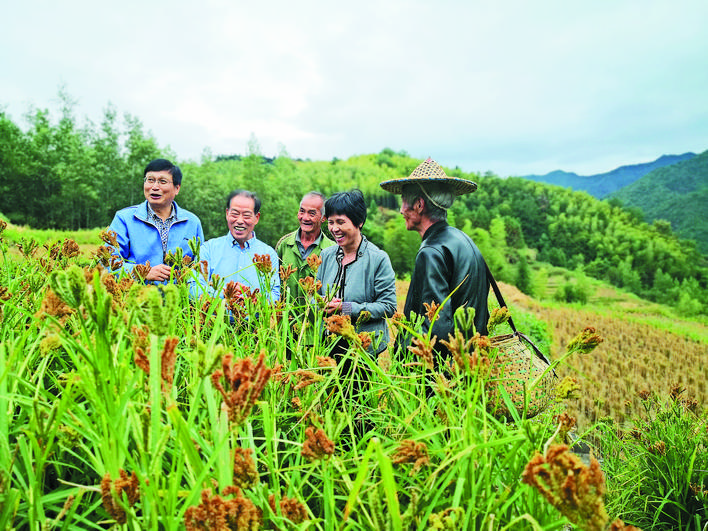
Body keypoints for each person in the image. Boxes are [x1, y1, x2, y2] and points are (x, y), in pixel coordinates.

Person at [380, 158, 489, 358]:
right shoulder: (463, 240)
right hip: (471, 363)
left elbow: (435, 325)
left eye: (404, 201)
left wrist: (403, 356)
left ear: (419, 205)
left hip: (444, 373)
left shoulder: (432, 251)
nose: (401, 210)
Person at [316, 189, 397, 355]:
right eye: (331, 222)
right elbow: (314, 294)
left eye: (341, 222)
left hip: (362, 349)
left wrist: (345, 308)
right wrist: (319, 302)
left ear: (359, 222)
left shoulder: (378, 259)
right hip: (328, 347)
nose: (334, 228)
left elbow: (388, 307)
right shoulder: (326, 255)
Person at [108, 158, 204, 284]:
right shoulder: (124, 218)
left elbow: (200, 266)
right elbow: (106, 262)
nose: (154, 187)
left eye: (162, 181)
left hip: (179, 298)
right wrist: (142, 272)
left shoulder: (192, 222)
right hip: (137, 297)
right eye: (150, 180)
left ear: (177, 188)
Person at [191, 190, 279, 301]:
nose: (240, 221)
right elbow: (194, 289)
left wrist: (251, 298)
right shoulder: (208, 249)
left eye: (246, 215)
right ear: (227, 214)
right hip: (215, 317)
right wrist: (227, 292)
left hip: (255, 317)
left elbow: (275, 296)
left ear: (256, 218)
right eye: (235, 214)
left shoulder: (268, 254)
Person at [275, 192, 334, 303]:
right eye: (302, 211)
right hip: (286, 319)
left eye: (312, 214)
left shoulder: (332, 250)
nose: (305, 218)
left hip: (316, 319)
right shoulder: (284, 244)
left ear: (323, 218)